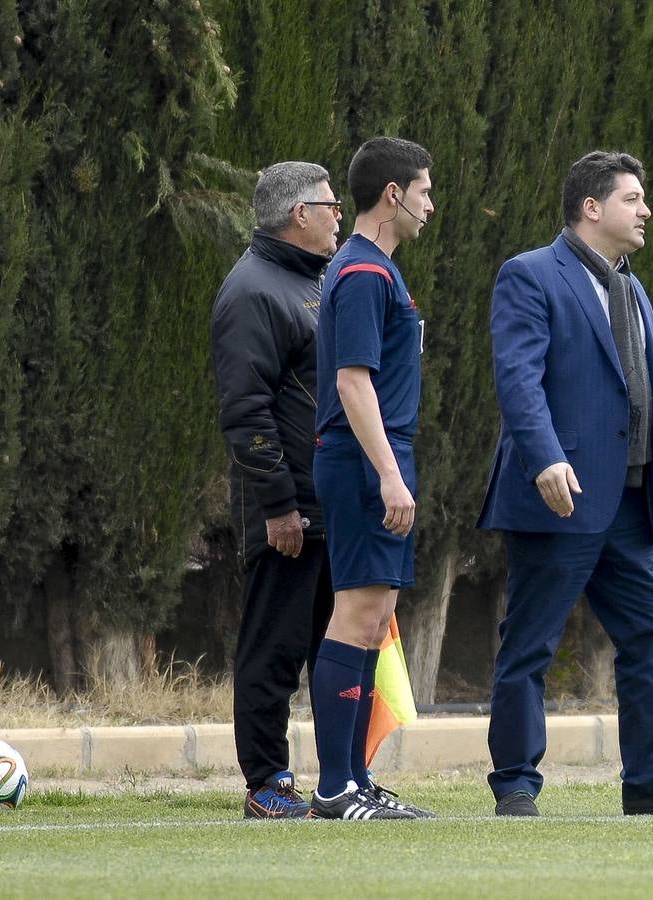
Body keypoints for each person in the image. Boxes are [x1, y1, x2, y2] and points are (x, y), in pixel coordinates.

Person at [478, 150, 653, 817]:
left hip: (629, 504)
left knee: (651, 634)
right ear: (591, 207)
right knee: (531, 643)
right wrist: (542, 459)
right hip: (558, 494)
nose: (647, 210)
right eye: (633, 198)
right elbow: (518, 379)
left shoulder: (632, 287)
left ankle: (652, 780)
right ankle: (515, 782)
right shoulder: (530, 275)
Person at [308, 137, 437, 820]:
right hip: (364, 460)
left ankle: (356, 779)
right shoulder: (362, 273)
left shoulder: (379, 271)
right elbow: (352, 382)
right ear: (393, 194)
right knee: (358, 613)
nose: (430, 205)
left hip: (380, 456)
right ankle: (335, 788)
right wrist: (388, 473)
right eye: (423, 191)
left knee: (377, 615)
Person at [211, 161, 341, 818]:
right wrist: (280, 506)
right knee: (274, 648)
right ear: (300, 214)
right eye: (331, 205)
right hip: (288, 512)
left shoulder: (311, 282)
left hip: (328, 506)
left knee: (334, 652)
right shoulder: (254, 290)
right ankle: (266, 784)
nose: (339, 216)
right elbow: (246, 411)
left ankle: (343, 783)